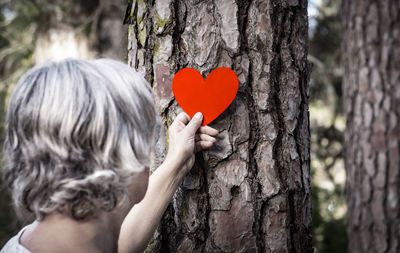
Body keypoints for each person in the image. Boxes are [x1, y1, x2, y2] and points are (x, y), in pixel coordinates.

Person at [0, 58, 219, 253]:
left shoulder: (39, 241)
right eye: (147, 131)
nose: (149, 147)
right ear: (118, 148)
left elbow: (122, 243)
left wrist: (177, 163)